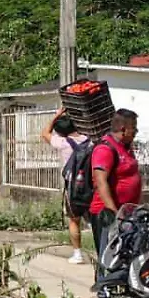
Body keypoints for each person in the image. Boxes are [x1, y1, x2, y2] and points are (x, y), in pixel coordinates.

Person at [90, 109, 143, 268]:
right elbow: (100, 181)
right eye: (134, 128)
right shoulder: (105, 149)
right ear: (123, 129)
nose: (136, 132)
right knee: (108, 259)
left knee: (125, 257)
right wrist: (113, 213)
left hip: (126, 213)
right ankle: (104, 288)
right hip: (108, 214)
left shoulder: (126, 147)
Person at [41, 107, 90, 264]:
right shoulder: (89, 140)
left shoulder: (62, 142)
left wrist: (56, 115)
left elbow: (44, 134)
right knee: (97, 220)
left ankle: (77, 254)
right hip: (92, 184)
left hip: (73, 186)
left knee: (74, 220)